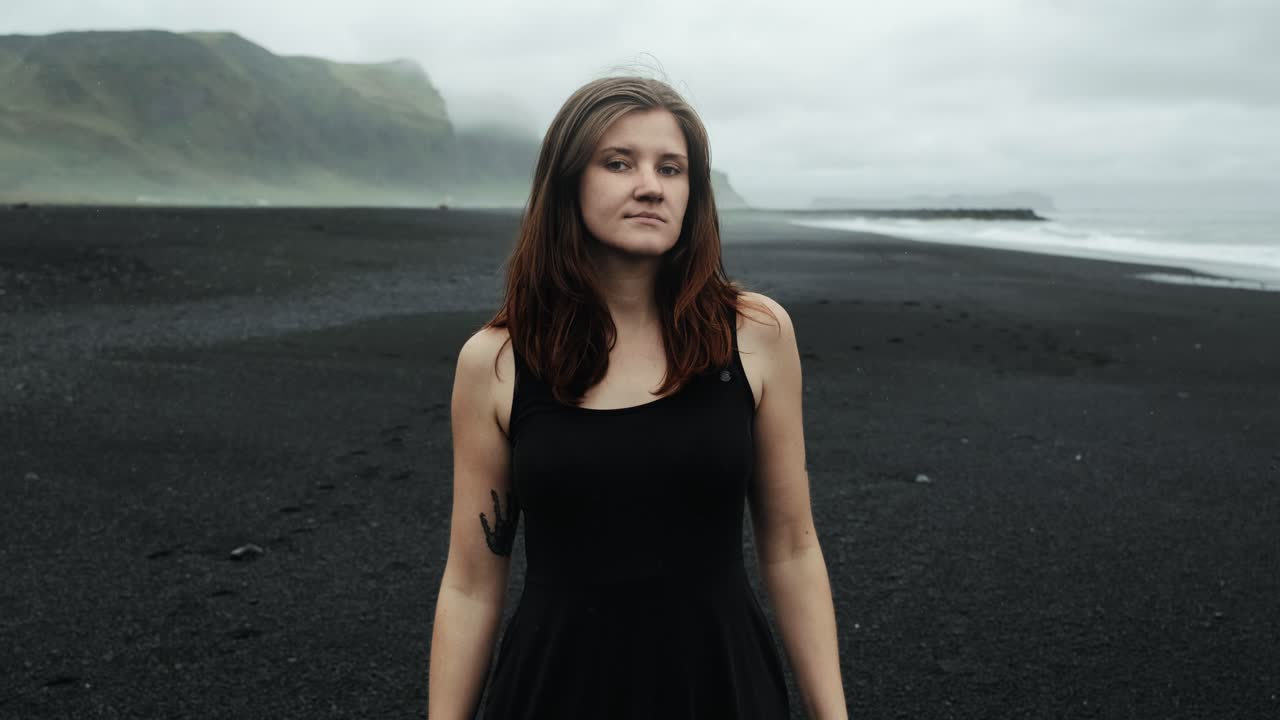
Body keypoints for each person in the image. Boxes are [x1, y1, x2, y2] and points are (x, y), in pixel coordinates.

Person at [427, 75, 847, 719]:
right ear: (568, 182)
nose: (650, 185)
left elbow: (791, 545)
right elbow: (471, 582)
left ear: (692, 193)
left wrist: (831, 714)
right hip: (555, 691)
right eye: (618, 162)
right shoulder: (498, 360)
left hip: (720, 686)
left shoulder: (756, 333)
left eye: (671, 168)